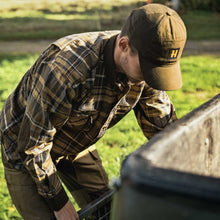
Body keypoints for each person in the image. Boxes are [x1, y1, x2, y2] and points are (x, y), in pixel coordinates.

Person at [0, 3, 186, 220]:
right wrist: (60, 204)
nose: (151, 78)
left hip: (75, 139)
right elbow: (33, 145)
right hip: (25, 148)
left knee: (107, 211)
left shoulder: (146, 68)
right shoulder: (67, 69)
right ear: (124, 45)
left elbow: (164, 130)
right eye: (148, 69)